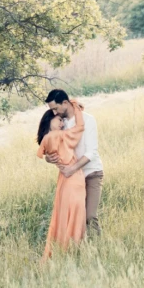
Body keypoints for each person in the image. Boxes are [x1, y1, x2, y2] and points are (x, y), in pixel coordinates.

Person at [42, 88, 104, 238]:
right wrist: (48, 158)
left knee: (90, 216)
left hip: (91, 173)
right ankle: (79, 247)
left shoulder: (87, 120)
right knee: (76, 217)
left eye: (55, 108)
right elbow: (52, 145)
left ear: (65, 103)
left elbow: (91, 152)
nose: (54, 113)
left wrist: (72, 169)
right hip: (72, 178)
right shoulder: (60, 123)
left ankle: (98, 246)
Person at [36, 104, 86, 257]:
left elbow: (43, 154)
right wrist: (76, 108)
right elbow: (80, 127)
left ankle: (63, 251)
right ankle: (74, 250)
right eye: (59, 120)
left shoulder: (46, 140)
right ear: (49, 120)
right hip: (73, 178)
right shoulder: (59, 136)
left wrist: (47, 158)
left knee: (63, 216)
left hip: (63, 180)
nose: (62, 124)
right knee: (76, 214)